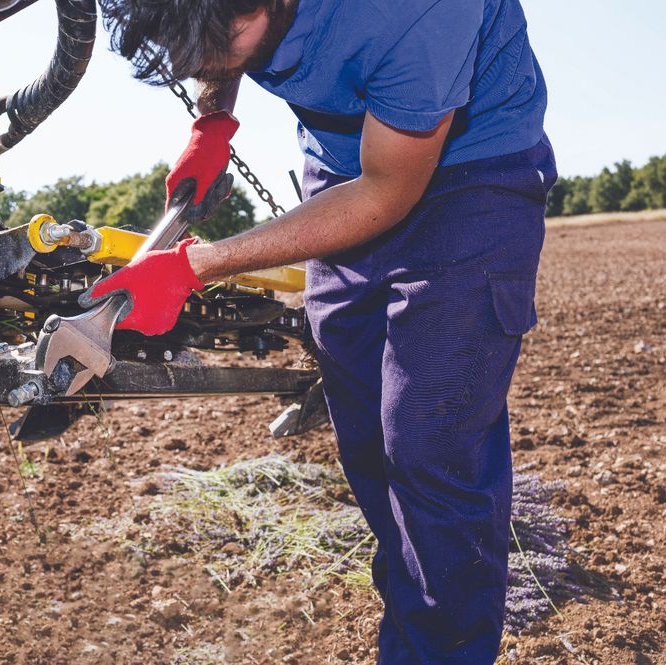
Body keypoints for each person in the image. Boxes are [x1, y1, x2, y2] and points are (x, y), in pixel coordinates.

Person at [85, 0, 556, 662]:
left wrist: (198, 265)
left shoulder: (414, 10)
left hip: (468, 175)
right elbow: (201, 29)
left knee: (428, 443)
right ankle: (415, 621)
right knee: (366, 441)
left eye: (221, 42)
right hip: (342, 169)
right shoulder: (218, 18)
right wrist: (212, 120)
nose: (203, 61)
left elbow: (385, 193)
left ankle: (442, 647)